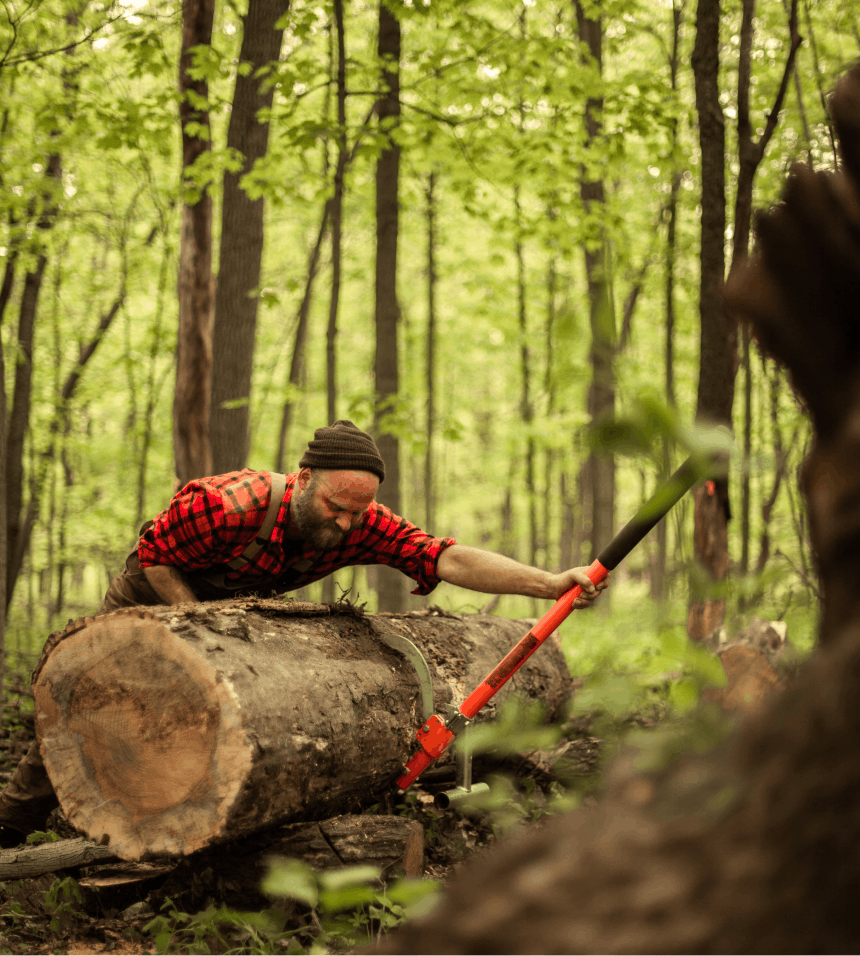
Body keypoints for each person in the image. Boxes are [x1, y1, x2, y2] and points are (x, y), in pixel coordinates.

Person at [0, 420, 607, 847]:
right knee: (92, 700)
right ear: (305, 477)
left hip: (235, 614)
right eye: (336, 508)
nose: (345, 525)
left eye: (357, 513)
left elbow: (443, 557)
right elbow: (155, 556)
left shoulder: (362, 522)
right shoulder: (227, 504)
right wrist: (199, 624)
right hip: (157, 593)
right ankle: (15, 818)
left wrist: (549, 582)